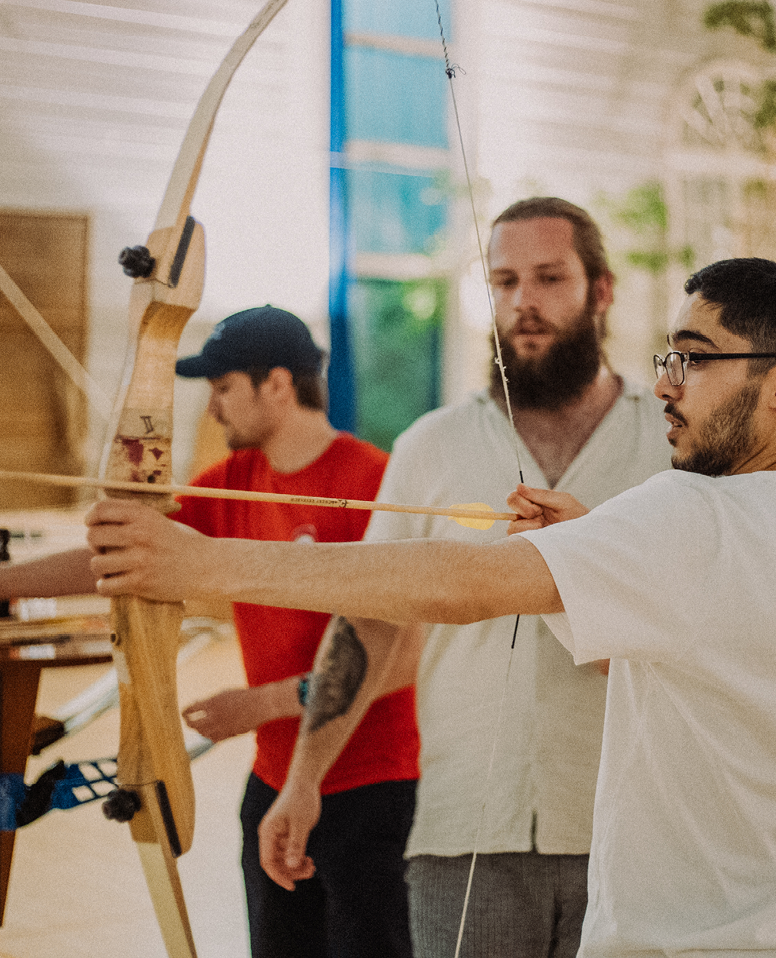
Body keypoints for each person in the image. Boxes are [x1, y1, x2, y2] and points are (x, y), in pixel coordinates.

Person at [85, 257, 776, 958]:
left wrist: (200, 560)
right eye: (667, 360)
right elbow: (732, 630)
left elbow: (460, 587)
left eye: (695, 360)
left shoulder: (688, 516)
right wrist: (602, 551)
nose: (669, 386)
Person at [0, 306, 418, 958]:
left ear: (278, 384)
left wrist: (260, 704)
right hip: (273, 782)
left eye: (224, 387)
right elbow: (122, 556)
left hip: (370, 791)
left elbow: (399, 662)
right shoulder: (233, 484)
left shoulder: (369, 480)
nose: (212, 409)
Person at [261, 197, 668, 958]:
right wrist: (303, 776)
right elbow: (368, 618)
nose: (525, 302)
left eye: (549, 278)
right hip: (465, 833)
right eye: (505, 281)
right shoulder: (431, 444)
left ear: (601, 291)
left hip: (638, 833)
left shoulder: (669, 447)